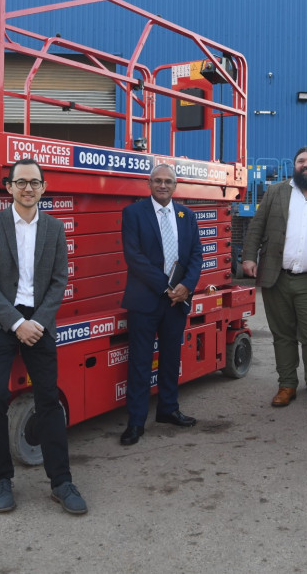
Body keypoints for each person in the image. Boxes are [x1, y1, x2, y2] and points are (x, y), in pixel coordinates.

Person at [0, 158, 87, 515]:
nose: (27, 188)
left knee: (49, 400)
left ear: (43, 187)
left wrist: (36, 321)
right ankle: (0, 479)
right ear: (8, 187)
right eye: (20, 182)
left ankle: (61, 482)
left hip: (39, 321)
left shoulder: (54, 229)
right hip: (0, 320)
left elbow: (58, 281)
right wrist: (15, 323)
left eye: (34, 182)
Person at [241, 146, 307, 413]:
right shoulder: (277, 192)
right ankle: (286, 385)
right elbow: (257, 224)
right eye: (301, 161)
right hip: (276, 276)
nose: (306, 164)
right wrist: (248, 257)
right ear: (294, 166)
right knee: (283, 335)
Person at [119, 164, 203, 446]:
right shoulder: (133, 213)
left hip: (177, 301)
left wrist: (186, 287)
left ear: (175, 185)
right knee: (140, 363)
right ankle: (136, 422)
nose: (163, 185)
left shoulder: (186, 215)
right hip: (145, 300)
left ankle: (168, 410)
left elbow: (195, 256)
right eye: (158, 181)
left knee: (170, 358)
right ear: (149, 184)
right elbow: (134, 257)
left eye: (168, 181)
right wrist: (167, 286)